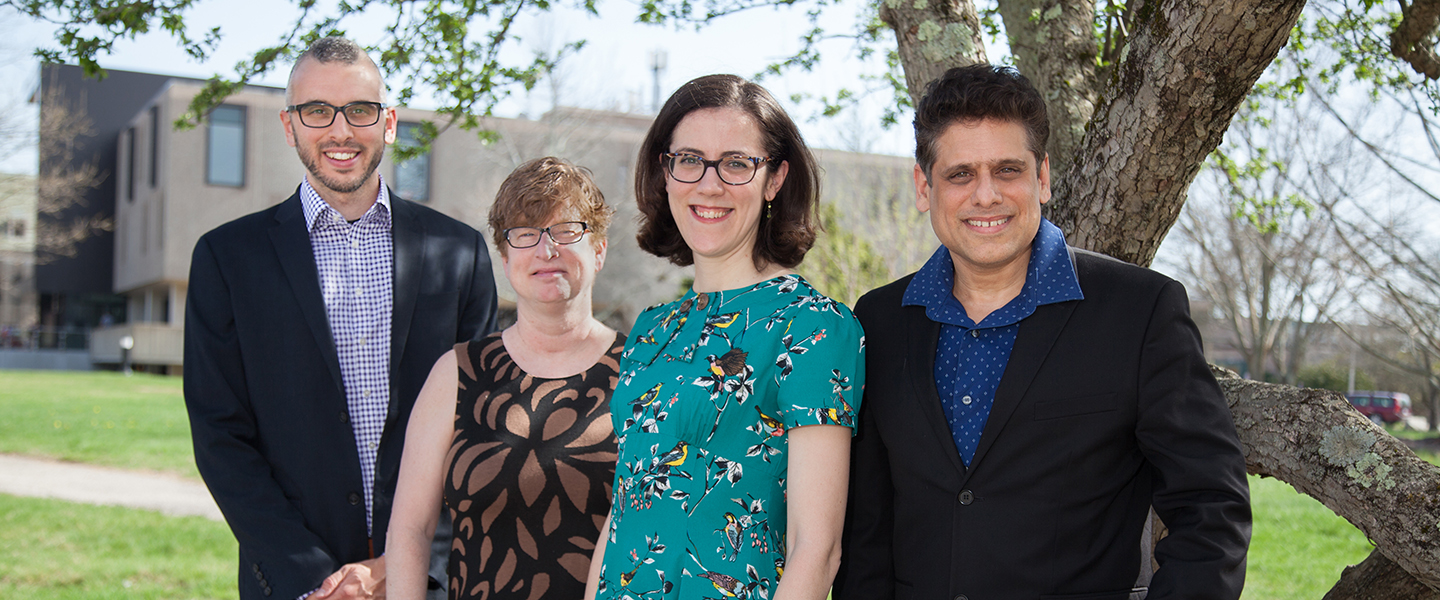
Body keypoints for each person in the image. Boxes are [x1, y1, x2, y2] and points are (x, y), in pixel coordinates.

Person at [833, 64, 1252, 600]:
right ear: (923, 186)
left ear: (1043, 177)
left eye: (1007, 170)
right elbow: (867, 525)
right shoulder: (878, 319)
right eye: (960, 174)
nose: (986, 195)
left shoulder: (1139, 311)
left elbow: (1211, 508)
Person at [184, 36, 497, 600]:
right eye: (316, 111)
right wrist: (315, 577)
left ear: (390, 122)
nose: (340, 131)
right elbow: (219, 436)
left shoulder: (461, 252)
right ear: (289, 126)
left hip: (425, 583)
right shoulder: (227, 259)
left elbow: (476, 427)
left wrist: (403, 564)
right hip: (293, 585)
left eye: (360, 110)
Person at [582, 74, 866, 600]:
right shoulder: (652, 329)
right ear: (665, 174)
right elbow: (624, 512)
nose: (709, 185)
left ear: (775, 179)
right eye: (689, 160)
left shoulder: (812, 326)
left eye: (736, 164)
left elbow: (817, 549)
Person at [388, 157, 623, 600]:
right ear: (504, 254)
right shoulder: (457, 373)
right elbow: (410, 529)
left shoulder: (642, 373)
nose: (546, 250)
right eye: (525, 234)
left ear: (599, 249)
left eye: (567, 230)